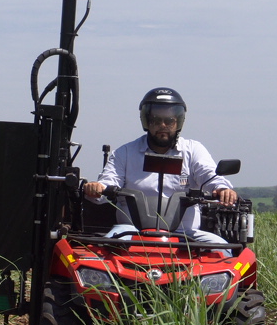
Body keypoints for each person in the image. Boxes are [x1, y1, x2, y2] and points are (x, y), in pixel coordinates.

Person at [82, 87, 237, 246]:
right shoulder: (125, 153)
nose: (163, 125)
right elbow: (109, 181)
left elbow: (210, 175)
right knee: (101, 252)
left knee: (223, 250)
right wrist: (97, 188)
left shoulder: (193, 150)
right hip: (130, 232)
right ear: (146, 121)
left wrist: (222, 189)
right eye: (156, 120)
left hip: (185, 235)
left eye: (169, 121)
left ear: (178, 122)